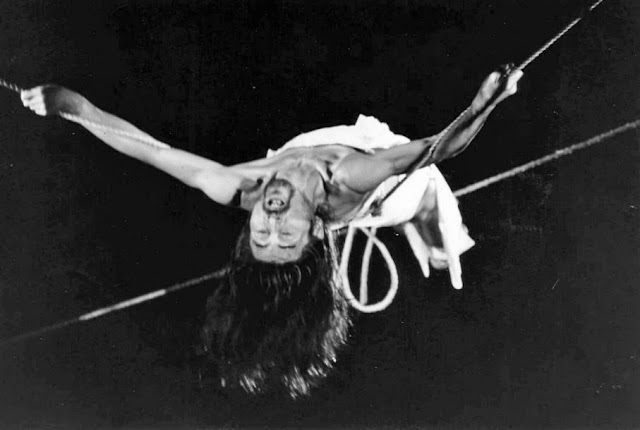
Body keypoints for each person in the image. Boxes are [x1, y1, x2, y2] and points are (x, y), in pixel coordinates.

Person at [21, 66, 523, 397]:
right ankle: (438, 239)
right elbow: (435, 149)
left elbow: (150, 150)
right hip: (388, 182)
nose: (272, 223)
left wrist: (74, 106)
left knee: (431, 222)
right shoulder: (347, 177)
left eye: (261, 237)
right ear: (315, 234)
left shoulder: (238, 187)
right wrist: (483, 105)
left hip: (312, 149)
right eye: (287, 239)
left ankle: (437, 243)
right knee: (424, 197)